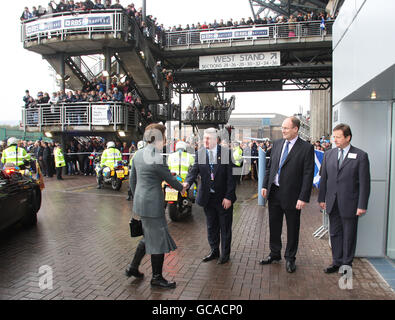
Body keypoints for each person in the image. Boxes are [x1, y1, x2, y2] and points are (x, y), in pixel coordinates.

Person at [126, 123, 187, 289]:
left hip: (141, 202)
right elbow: (170, 179)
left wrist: (139, 196)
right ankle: (157, 277)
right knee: (158, 239)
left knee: (148, 237)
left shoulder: (138, 154)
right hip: (153, 205)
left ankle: (133, 267)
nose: (165, 139)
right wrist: (182, 187)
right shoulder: (156, 156)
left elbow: (133, 180)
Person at [260, 116, 314, 273]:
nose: (282, 130)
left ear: (295, 129)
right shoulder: (277, 144)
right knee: (274, 225)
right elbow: (270, 167)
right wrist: (265, 185)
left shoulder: (306, 148)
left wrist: (303, 197)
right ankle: (274, 253)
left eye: (286, 128)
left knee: (292, 227)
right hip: (274, 193)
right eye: (282, 128)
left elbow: (308, 174)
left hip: (293, 195)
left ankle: (290, 258)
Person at [318, 124, 370, 274]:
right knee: (334, 234)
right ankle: (336, 262)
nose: (335, 140)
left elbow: (364, 183)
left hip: (351, 204)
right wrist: (322, 198)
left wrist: (362, 205)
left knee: (349, 236)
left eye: (338, 137)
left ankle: (346, 265)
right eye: (334, 137)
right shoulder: (329, 154)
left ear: (348, 137)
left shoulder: (360, 156)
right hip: (332, 203)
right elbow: (324, 179)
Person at [184, 128, 237, 265]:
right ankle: (214, 251)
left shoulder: (226, 153)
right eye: (204, 138)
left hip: (223, 198)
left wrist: (229, 197)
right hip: (208, 197)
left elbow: (232, 179)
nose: (205, 141)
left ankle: (225, 254)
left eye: (208, 139)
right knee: (211, 226)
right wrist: (187, 183)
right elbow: (193, 171)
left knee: (225, 227)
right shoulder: (200, 153)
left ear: (216, 140)